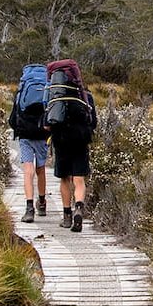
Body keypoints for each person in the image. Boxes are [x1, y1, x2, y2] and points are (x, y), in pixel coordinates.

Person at [43, 57, 97, 232]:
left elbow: (46, 124)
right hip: (80, 140)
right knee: (79, 179)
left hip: (61, 141)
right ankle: (79, 208)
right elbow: (93, 122)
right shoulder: (85, 96)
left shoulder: (54, 97)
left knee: (64, 179)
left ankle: (66, 216)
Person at [7, 61, 50, 221]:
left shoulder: (22, 89)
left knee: (28, 170)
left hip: (25, 134)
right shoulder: (46, 86)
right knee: (41, 169)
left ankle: (29, 207)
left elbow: (13, 118)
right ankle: (43, 202)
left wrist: (17, 129)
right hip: (42, 133)